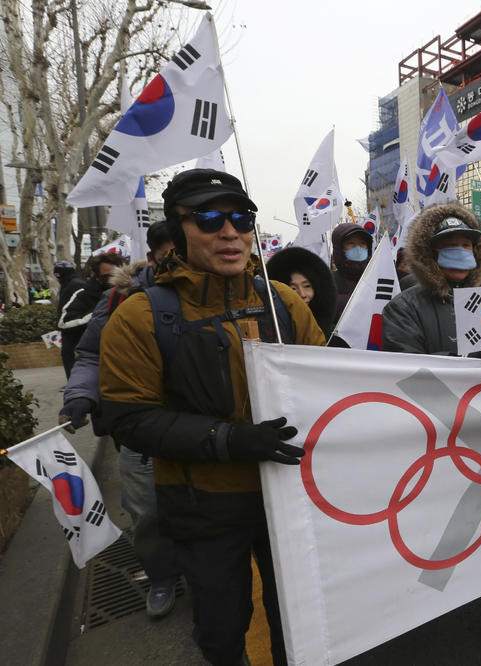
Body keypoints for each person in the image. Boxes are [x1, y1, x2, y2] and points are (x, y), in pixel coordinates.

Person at [98, 168, 326, 665]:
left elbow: (329, 382)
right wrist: (228, 440)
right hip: (204, 508)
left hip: (288, 496)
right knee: (222, 631)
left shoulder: (283, 301)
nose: (231, 232)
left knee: (300, 619)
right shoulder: (139, 317)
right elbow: (130, 419)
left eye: (242, 218)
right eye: (210, 219)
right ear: (179, 231)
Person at [381, 202, 481, 663]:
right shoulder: (403, 307)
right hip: (435, 445)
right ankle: (419, 617)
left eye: (466, 245)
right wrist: (466, 370)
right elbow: (408, 374)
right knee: (436, 536)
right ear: (428, 255)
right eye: (447, 246)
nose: (459, 253)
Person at [59, 221, 182, 618]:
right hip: (138, 431)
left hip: (198, 424)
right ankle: (162, 576)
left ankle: (206, 576)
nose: (176, 262)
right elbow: (91, 355)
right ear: (153, 257)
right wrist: (79, 394)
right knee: (145, 509)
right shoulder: (118, 300)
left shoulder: (214, 292)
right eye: (168, 254)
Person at [58, 252, 127, 378]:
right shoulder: (83, 295)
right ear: (97, 277)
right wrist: (101, 310)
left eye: (118, 275)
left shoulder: (133, 294)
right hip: (92, 364)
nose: (114, 280)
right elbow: (65, 322)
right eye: (108, 276)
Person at [267, 246, 337, 340]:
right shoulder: (271, 337)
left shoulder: (333, 338)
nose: (302, 294)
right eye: (293, 288)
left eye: (307, 286)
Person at [329, 222, 372, 323]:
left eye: (362, 243)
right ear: (340, 248)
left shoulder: (378, 277)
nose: (358, 248)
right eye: (351, 243)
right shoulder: (328, 281)